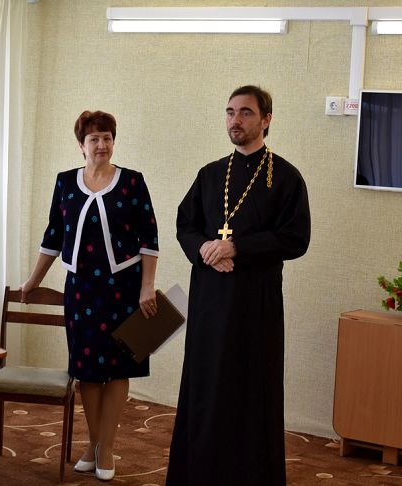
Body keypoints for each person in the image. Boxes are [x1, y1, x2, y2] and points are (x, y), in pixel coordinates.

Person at [167, 86, 311, 486]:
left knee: (250, 389)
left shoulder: (286, 177)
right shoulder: (210, 174)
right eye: (230, 112)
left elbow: (296, 238)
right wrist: (205, 248)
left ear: (266, 119)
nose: (235, 120)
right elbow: (185, 224)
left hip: (254, 305)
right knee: (206, 385)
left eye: (246, 112)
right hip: (209, 300)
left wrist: (238, 247)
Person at [20, 110, 159, 481]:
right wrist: (33, 280)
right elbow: (53, 236)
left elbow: (149, 238)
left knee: (119, 368)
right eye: (94, 139)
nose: (102, 145)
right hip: (81, 289)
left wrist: (147, 286)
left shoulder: (132, 182)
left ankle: (106, 447)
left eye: (107, 138)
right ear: (81, 145)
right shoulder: (65, 182)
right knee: (87, 371)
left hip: (125, 288)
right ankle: (94, 442)